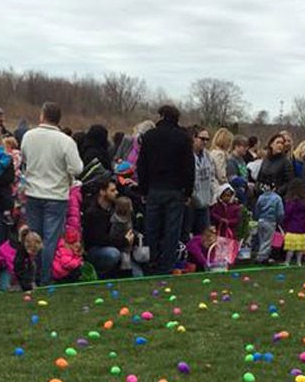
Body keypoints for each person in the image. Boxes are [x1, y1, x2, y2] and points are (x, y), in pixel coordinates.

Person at [20, 102, 83, 284]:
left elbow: (24, 159)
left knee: (35, 239)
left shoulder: (28, 136)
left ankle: (32, 276)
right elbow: (78, 168)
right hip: (56, 195)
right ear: (59, 119)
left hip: (33, 193)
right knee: (50, 241)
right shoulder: (65, 141)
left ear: (42, 115)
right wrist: (66, 172)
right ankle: (45, 278)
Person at [137, 105, 194, 275]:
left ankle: (149, 263)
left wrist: (143, 190)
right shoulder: (183, 138)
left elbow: (142, 165)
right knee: (172, 230)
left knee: (151, 228)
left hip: (154, 188)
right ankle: (167, 265)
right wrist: (188, 191)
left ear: (161, 115)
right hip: (175, 189)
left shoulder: (149, 136)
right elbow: (189, 167)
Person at [83, 178, 134, 277]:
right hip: (97, 249)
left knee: (137, 274)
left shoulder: (115, 207)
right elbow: (99, 239)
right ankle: (100, 272)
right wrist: (124, 240)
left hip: (120, 245)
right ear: (102, 192)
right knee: (113, 254)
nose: (116, 192)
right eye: (112, 190)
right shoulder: (92, 212)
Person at [186, 127, 216, 237]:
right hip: (190, 202)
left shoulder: (208, 156)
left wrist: (212, 195)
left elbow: (212, 176)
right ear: (193, 138)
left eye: (207, 139)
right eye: (202, 139)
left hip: (204, 202)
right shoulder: (186, 155)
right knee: (187, 235)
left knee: (204, 236)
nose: (205, 142)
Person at [283, 179, 305, 266]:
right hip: (301, 227)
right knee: (300, 248)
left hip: (292, 227)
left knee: (291, 248)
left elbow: (288, 212)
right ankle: (299, 262)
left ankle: (287, 261)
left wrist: (284, 221)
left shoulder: (291, 202)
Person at [254, 183, 284, 264]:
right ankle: (262, 257)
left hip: (261, 220)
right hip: (270, 221)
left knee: (261, 239)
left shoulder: (261, 197)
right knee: (268, 240)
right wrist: (279, 221)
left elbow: (257, 209)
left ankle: (261, 255)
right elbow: (280, 212)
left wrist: (257, 218)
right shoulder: (277, 198)